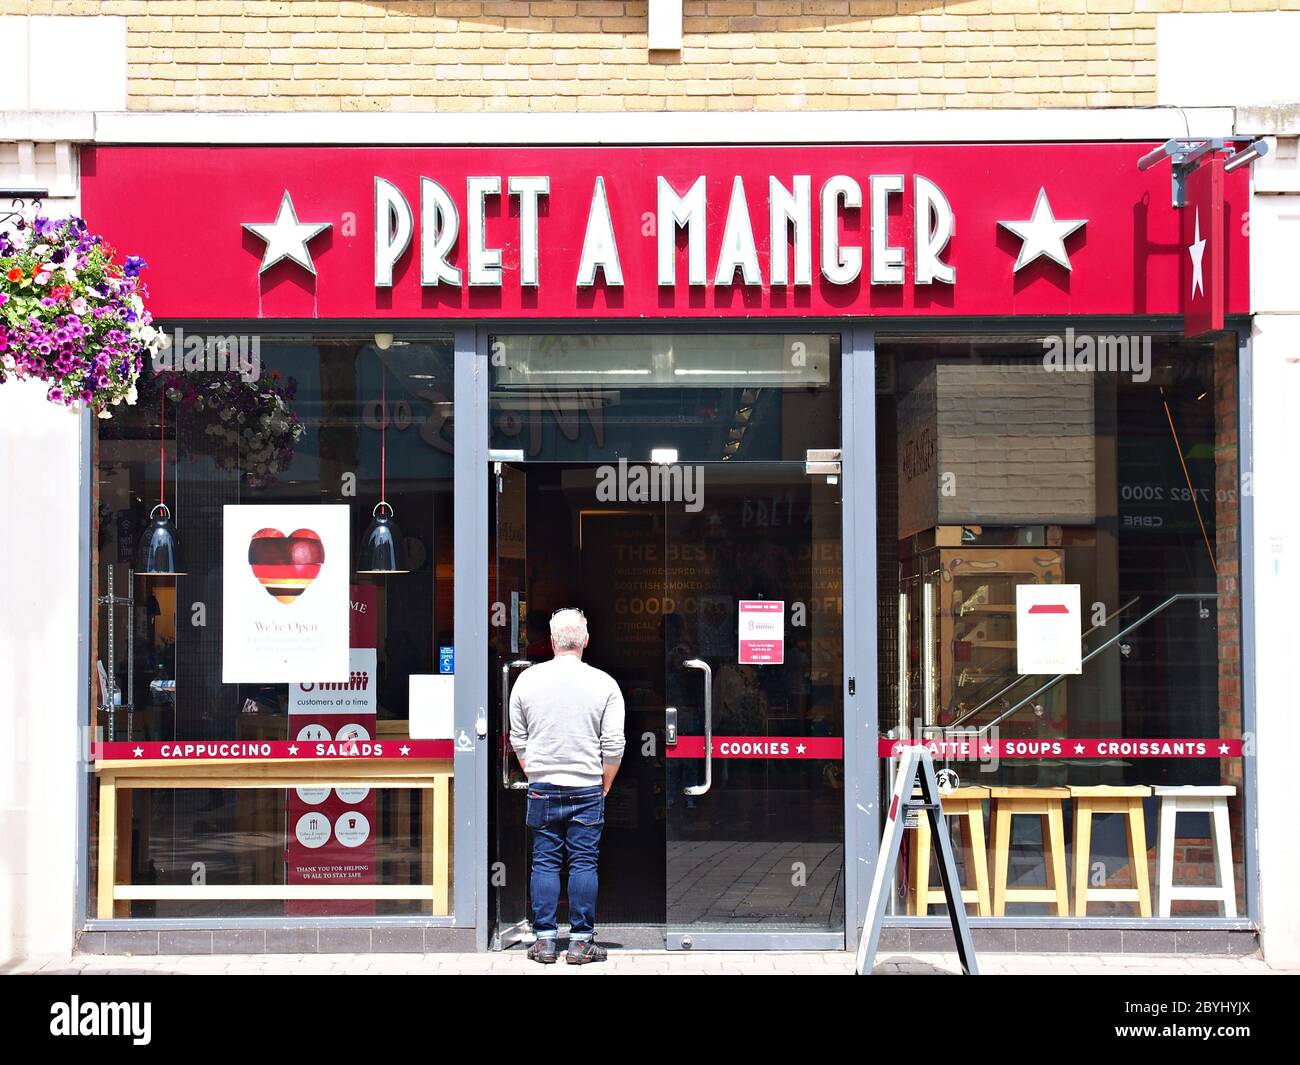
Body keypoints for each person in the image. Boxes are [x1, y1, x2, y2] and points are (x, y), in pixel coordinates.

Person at [508, 607, 625, 964]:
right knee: (583, 863)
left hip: (543, 783)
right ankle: (579, 942)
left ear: (552, 640)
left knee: (544, 861)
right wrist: (604, 784)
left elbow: (518, 737)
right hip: (587, 785)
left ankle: (544, 942)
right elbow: (614, 743)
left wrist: (534, 773)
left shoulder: (526, 681)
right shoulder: (604, 684)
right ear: (585, 641)